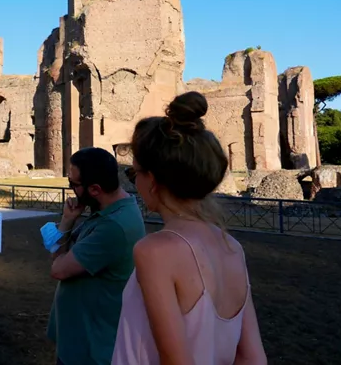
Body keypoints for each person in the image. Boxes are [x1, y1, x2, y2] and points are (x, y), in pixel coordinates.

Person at [111, 92, 267, 364]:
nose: (134, 183)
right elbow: (252, 358)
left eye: (134, 173)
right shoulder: (232, 248)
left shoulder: (155, 251)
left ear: (154, 179)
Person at [46, 147, 146, 365]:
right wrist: (67, 220)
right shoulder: (111, 210)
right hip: (82, 338)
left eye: (73, 184)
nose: (71, 190)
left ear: (94, 189)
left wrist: (65, 226)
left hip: (92, 349)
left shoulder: (113, 226)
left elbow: (58, 268)